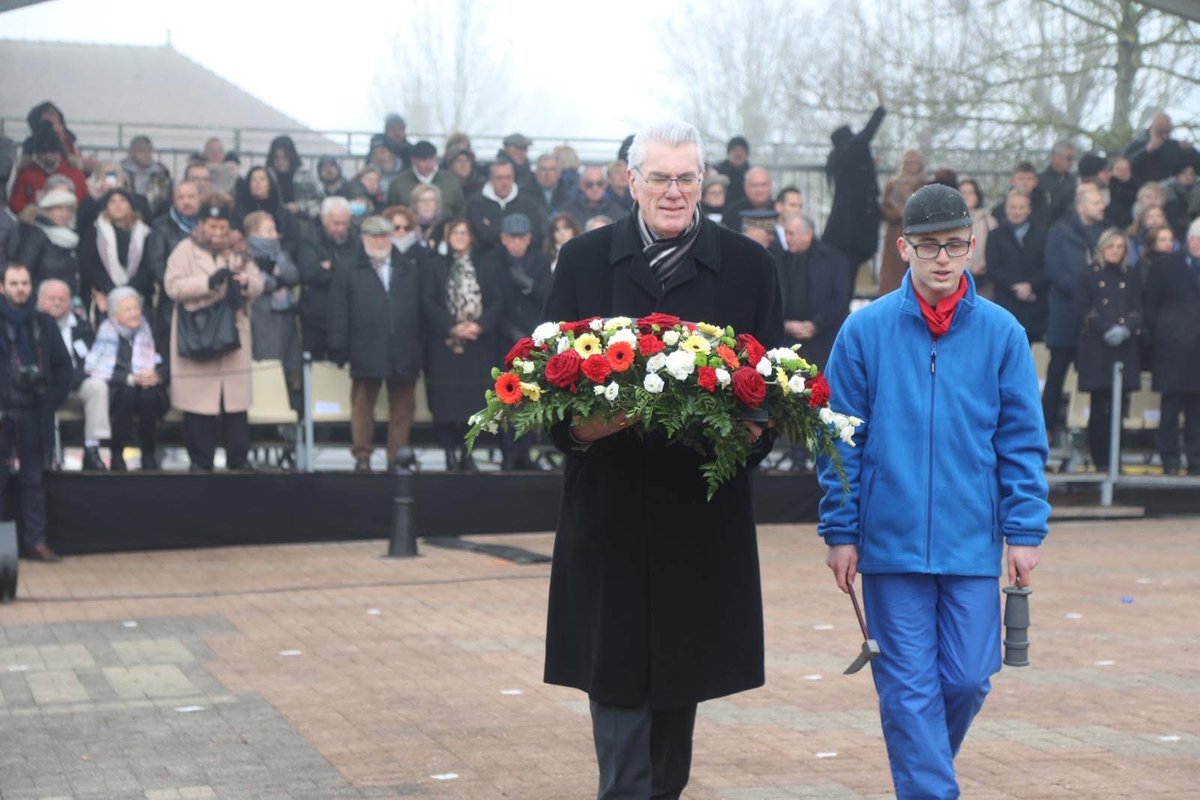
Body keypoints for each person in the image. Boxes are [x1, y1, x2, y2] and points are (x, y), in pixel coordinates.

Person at [542, 120, 782, 800]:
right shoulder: (585, 261)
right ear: (631, 181)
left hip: (697, 517)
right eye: (659, 178)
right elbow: (543, 387)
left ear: (703, 182)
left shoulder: (747, 265)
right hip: (611, 512)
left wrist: (745, 435)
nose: (673, 192)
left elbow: (767, 393)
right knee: (617, 686)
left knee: (679, 692)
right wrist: (586, 429)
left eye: (685, 178)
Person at [818, 183, 1050, 800]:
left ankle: (923, 768)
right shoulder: (863, 333)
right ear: (904, 248)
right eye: (928, 246)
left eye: (954, 245)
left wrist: (1024, 529)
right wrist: (840, 529)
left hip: (973, 538)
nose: (942, 258)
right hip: (889, 544)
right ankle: (929, 789)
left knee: (971, 678)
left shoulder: (1003, 334)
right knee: (906, 686)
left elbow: (1022, 438)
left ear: (973, 247)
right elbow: (840, 440)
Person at [164, 193, 264, 470]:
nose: (218, 233)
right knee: (199, 406)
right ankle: (200, 461)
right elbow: (173, 287)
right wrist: (207, 282)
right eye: (212, 227)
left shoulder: (238, 251)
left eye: (222, 228)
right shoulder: (185, 250)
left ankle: (239, 460)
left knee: (235, 405)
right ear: (201, 225)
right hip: (198, 333)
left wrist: (244, 282)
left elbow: (258, 283)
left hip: (234, 333)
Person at [328, 215, 424, 472]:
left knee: (403, 405)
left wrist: (420, 348)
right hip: (364, 346)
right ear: (363, 239)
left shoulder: (409, 267)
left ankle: (397, 457)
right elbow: (338, 310)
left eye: (384, 235)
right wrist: (338, 348)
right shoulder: (348, 267)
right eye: (373, 236)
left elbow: (420, 308)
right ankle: (362, 455)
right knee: (362, 404)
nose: (379, 241)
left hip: (403, 347)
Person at [0, 263, 72, 561]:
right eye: (14, 283)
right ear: (2, 287)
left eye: (25, 283)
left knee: (34, 480)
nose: (20, 289)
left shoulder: (44, 323)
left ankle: (36, 542)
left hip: (34, 412)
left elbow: (64, 368)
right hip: (3, 411)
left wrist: (50, 400)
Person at [421, 218, 502, 471]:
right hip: (446, 343)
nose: (459, 236)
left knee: (473, 403)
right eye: (454, 232)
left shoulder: (486, 265)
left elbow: (498, 301)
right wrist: (452, 326)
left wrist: (478, 326)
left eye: (463, 232)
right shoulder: (435, 265)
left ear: (471, 237)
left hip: (477, 343)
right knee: (446, 403)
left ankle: (468, 454)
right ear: (447, 236)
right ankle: (449, 453)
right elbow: (428, 301)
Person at [485, 212, 552, 470]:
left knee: (530, 396)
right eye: (511, 237)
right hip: (503, 338)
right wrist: (509, 330)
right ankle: (508, 453)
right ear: (503, 238)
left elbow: (548, 295)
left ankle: (525, 451)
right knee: (506, 397)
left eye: (521, 237)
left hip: (532, 339)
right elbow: (492, 301)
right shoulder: (492, 262)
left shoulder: (540, 260)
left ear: (529, 238)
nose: (516, 242)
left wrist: (530, 286)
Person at [1043, 184, 1107, 443]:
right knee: (1056, 375)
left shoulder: (1106, 232)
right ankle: (1045, 429)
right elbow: (1056, 271)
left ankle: (1097, 440)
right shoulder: (1060, 233)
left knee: (1097, 380)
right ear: (1081, 207)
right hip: (1067, 315)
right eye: (1096, 203)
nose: (1102, 206)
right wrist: (1085, 292)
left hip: (1096, 320)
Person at [1075, 228, 1141, 471]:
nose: (1115, 251)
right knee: (1099, 405)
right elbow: (1083, 309)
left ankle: (1115, 458)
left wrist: (1127, 327)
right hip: (1097, 346)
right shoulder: (1088, 275)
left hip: (1123, 345)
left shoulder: (1131, 274)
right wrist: (1105, 328)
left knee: (1119, 407)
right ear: (1102, 248)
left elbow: (1138, 306)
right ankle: (1101, 459)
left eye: (1120, 247)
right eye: (1111, 246)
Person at [84, 287, 167, 470]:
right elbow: (95, 369)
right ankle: (117, 453)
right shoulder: (105, 332)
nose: (134, 313)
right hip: (118, 387)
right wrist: (129, 378)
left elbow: (165, 361)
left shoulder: (149, 329)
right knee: (127, 395)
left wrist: (156, 375)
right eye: (127, 310)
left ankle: (148, 453)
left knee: (148, 396)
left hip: (148, 385)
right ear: (115, 315)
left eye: (136, 308)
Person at [1142, 219, 1200, 475]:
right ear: (1193, 241)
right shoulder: (1166, 264)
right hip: (1172, 351)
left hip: (1198, 353)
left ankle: (1196, 460)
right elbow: (1150, 305)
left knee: (1196, 410)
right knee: (1170, 408)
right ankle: (1170, 460)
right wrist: (1164, 334)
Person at [37, 278, 109, 471]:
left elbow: (93, 359)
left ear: (70, 301)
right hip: (45, 387)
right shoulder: (34, 325)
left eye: (62, 298)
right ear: (40, 300)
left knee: (97, 386)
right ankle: (47, 455)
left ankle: (92, 448)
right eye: (52, 298)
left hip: (76, 384)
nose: (57, 302)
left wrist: (71, 379)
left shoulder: (82, 326)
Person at [822, 93, 886, 277]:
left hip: (845, 226)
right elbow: (866, 134)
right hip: (856, 227)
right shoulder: (854, 148)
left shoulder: (839, 158)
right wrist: (880, 110)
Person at [243, 211, 301, 403]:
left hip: (285, 316)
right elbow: (259, 282)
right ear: (254, 232)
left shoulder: (281, 252)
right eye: (269, 230)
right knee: (267, 365)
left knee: (289, 362)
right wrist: (276, 280)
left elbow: (293, 275)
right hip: (262, 316)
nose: (275, 233)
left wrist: (277, 274)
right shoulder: (246, 254)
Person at [296, 196, 357, 361]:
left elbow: (358, 273)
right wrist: (342, 270)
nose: (341, 228)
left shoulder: (355, 240)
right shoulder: (309, 240)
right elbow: (310, 273)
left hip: (348, 317)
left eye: (345, 223)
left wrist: (332, 265)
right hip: (316, 317)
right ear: (324, 220)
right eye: (336, 223)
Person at [78, 189, 155, 318]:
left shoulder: (145, 233)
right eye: (112, 201)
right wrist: (111, 290)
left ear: (131, 205)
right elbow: (88, 265)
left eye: (122, 201)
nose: (117, 205)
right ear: (106, 206)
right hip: (104, 296)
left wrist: (129, 290)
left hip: (139, 295)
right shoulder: (95, 231)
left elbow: (148, 265)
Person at [145, 180, 201, 357]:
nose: (186, 201)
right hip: (172, 304)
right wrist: (184, 286)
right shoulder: (161, 226)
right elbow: (156, 265)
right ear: (173, 201)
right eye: (181, 197)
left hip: (206, 301)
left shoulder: (210, 225)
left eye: (191, 196)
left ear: (200, 199)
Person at [987, 189, 1050, 342]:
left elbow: (1049, 266)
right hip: (1006, 302)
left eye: (1021, 208)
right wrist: (1015, 286)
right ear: (1006, 209)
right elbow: (993, 268)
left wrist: (1031, 285)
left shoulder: (1043, 234)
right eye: (1013, 207)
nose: (1017, 212)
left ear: (1028, 209)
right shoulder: (995, 235)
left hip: (1036, 304)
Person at [467, 159, 545, 254]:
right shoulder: (476, 204)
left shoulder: (529, 204)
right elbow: (483, 238)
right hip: (487, 259)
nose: (504, 183)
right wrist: (518, 232)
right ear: (490, 179)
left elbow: (535, 236)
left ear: (513, 178)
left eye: (508, 177)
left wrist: (493, 228)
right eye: (499, 178)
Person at [8, 121, 87, 215]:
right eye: (44, 153)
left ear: (60, 153)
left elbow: (83, 202)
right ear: (37, 154)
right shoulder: (26, 175)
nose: (49, 156)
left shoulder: (75, 174)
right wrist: (33, 212)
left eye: (53, 152)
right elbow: (16, 203)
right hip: (34, 223)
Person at [17, 187, 81, 297]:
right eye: (59, 208)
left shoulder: (71, 237)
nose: (64, 213)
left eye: (68, 209)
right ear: (47, 210)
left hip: (67, 298)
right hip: (41, 298)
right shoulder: (36, 234)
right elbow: (24, 270)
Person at [878, 149, 925, 296]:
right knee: (893, 276)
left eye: (915, 162)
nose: (911, 165)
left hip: (920, 232)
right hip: (897, 232)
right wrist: (898, 213)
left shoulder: (925, 183)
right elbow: (885, 208)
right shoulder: (893, 183)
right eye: (908, 162)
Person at [386, 140, 466, 220]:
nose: (428, 164)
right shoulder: (398, 184)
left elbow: (461, 212)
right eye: (423, 160)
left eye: (431, 159)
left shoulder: (450, 181)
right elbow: (390, 213)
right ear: (413, 160)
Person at [233, 166, 300, 251]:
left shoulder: (284, 214)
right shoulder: (238, 211)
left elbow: (293, 241)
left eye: (262, 179)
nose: (257, 183)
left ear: (270, 184)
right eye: (253, 179)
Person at [1123, 110, 1194, 185]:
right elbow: (1124, 165)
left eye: (1167, 132)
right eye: (1160, 131)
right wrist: (1146, 151)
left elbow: (1184, 167)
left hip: (1165, 189)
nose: (1164, 135)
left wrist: (1188, 152)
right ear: (1151, 129)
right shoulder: (1137, 143)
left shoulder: (1173, 145)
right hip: (1138, 188)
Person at [266, 135, 323, 220]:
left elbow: (321, 202)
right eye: (276, 157)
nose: (280, 161)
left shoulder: (305, 176)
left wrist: (299, 206)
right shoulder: (267, 176)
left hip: (301, 223)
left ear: (291, 157)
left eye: (284, 157)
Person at [120, 135, 173, 219]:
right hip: (126, 213)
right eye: (142, 151)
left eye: (149, 150)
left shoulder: (161, 172)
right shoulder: (121, 170)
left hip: (155, 214)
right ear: (132, 152)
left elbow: (167, 195)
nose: (147, 154)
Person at [958, 177, 994, 297]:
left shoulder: (990, 221)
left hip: (985, 280)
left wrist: (984, 267)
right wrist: (969, 268)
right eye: (963, 193)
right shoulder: (949, 222)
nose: (967, 196)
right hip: (957, 278)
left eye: (970, 192)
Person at [562, 165, 625, 230]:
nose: (595, 188)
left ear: (605, 184)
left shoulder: (619, 214)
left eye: (600, 183)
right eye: (589, 184)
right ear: (582, 185)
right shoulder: (568, 213)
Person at [720, 166, 772, 230]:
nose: (759, 190)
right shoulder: (732, 213)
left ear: (770, 186)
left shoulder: (779, 209)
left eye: (764, 185)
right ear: (745, 188)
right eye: (754, 185)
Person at [1040, 140, 1078, 224]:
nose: (1071, 162)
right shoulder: (1040, 181)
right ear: (1055, 157)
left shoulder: (1074, 181)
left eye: (1073, 159)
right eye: (1068, 158)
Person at [714, 135, 751, 205]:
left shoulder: (752, 173)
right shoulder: (718, 171)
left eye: (741, 150)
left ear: (746, 154)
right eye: (735, 150)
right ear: (728, 153)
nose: (738, 154)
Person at [410, 184, 445, 249]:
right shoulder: (407, 226)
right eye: (422, 200)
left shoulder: (444, 227)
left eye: (431, 200)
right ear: (415, 205)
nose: (427, 204)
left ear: (437, 204)